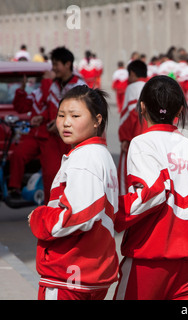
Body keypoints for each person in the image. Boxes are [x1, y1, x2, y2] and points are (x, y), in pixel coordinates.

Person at [113, 76, 188, 300]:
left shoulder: (142, 143)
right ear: (180, 110)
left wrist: (111, 212)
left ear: (141, 107)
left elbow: (150, 194)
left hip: (151, 257)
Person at [28, 85, 119, 300]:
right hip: (91, 271)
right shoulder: (100, 154)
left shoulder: (85, 158)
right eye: (61, 115)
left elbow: (79, 215)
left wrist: (39, 218)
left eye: (75, 115)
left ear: (97, 120)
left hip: (70, 273)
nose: (66, 122)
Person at [12, 46, 86, 203]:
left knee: (74, 176)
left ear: (67, 64)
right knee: (51, 176)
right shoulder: (53, 86)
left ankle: (73, 210)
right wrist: (44, 118)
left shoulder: (79, 86)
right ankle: (51, 211)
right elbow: (52, 108)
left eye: (55, 65)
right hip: (53, 137)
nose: (53, 69)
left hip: (73, 141)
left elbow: (82, 114)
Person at [8, 70, 54, 200]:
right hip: (34, 136)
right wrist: (21, 89)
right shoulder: (35, 93)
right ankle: (14, 188)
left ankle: (50, 198)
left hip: (49, 137)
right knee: (18, 154)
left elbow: (48, 100)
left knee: (49, 169)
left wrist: (47, 81)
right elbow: (20, 107)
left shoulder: (55, 91)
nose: (43, 78)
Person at [118, 59, 148, 196]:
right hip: (150, 136)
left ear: (132, 73)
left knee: (126, 175)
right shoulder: (150, 86)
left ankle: (127, 208)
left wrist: (124, 137)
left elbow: (129, 115)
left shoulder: (132, 88)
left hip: (134, 137)